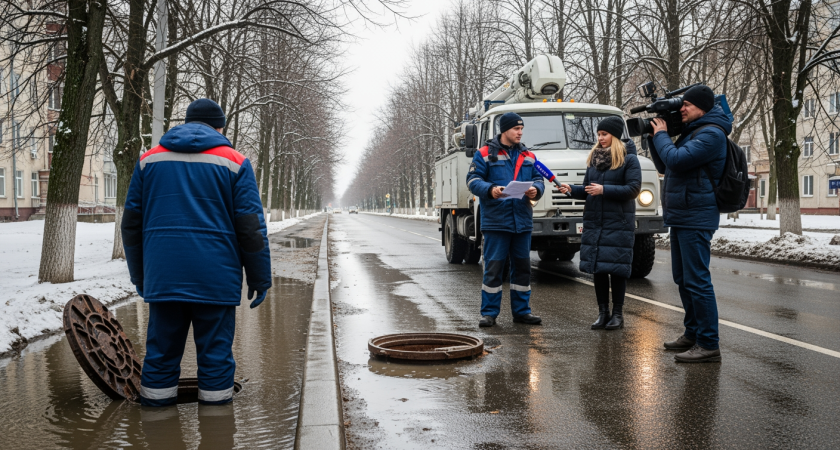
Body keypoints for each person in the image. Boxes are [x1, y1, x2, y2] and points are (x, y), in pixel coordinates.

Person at [122, 98, 272, 406]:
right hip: (215, 278)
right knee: (216, 356)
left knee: (161, 354)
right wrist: (259, 276)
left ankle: (157, 425)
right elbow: (250, 228)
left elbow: (131, 225)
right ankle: (217, 426)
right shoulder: (235, 162)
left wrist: (141, 276)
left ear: (187, 122)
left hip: (164, 277)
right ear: (219, 127)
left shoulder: (148, 161)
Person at [648, 84, 728, 363]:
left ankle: (708, 344)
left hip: (696, 216)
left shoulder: (711, 134)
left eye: (687, 105)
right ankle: (692, 333)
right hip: (683, 215)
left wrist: (661, 136)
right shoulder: (692, 132)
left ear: (703, 108)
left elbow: (676, 159)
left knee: (697, 280)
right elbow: (664, 165)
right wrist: (653, 136)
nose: (681, 108)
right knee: (683, 279)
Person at [558, 116, 641, 330]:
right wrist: (571, 190)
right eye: (598, 134)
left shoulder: (629, 160)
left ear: (615, 135)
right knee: (599, 269)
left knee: (617, 269)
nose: (600, 138)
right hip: (596, 222)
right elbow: (588, 190)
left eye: (604, 134)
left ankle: (618, 315)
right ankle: (603, 313)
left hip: (618, 222)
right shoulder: (594, 160)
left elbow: (633, 190)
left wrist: (604, 190)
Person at [467, 112, 545, 328]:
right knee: (494, 268)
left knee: (522, 268)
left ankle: (522, 312)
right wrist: (491, 189)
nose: (520, 132)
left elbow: (539, 179)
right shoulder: (483, 153)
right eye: (516, 129)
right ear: (504, 130)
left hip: (522, 221)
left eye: (522, 129)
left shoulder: (529, 155)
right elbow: (473, 180)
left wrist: (535, 190)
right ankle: (489, 313)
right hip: (496, 222)